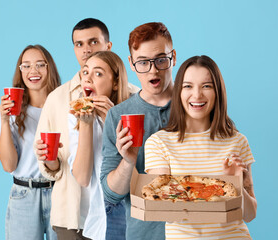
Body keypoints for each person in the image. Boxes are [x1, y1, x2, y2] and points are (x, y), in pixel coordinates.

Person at [34, 18, 139, 239]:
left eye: (92, 42)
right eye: (79, 44)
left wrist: (113, 119)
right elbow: (66, 170)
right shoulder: (61, 102)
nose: (86, 50)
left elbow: (146, 166)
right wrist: (48, 157)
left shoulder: (136, 100)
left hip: (126, 212)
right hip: (76, 216)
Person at [144, 55, 257, 239]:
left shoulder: (238, 141)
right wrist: (198, 191)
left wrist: (235, 183)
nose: (197, 95)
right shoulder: (158, 143)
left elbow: (250, 215)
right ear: (178, 92)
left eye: (207, 86)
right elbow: (164, 211)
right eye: (187, 86)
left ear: (217, 91)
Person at [100, 22, 176, 240]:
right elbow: (111, 194)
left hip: (196, 233)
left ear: (173, 57)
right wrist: (128, 161)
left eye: (161, 59)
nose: (153, 70)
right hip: (143, 234)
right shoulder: (118, 116)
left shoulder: (194, 105)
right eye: (143, 62)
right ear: (132, 64)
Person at [0, 44, 61, 240]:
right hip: (24, 194)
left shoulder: (62, 106)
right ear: (20, 71)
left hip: (60, 193)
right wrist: (5, 120)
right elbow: (8, 165)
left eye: (40, 64)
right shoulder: (11, 111)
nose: (33, 71)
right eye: (26, 66)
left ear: (49, 68)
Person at [68, 51, 130, 240]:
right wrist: (86, 125)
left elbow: (136, 167)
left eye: (98, 73)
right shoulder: (76, 118)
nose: (88, 78)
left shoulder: (130, 114)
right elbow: (82, 178)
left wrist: (113, 121)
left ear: (116, 82)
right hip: (99, 218)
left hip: (129, 212)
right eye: (85, 72)